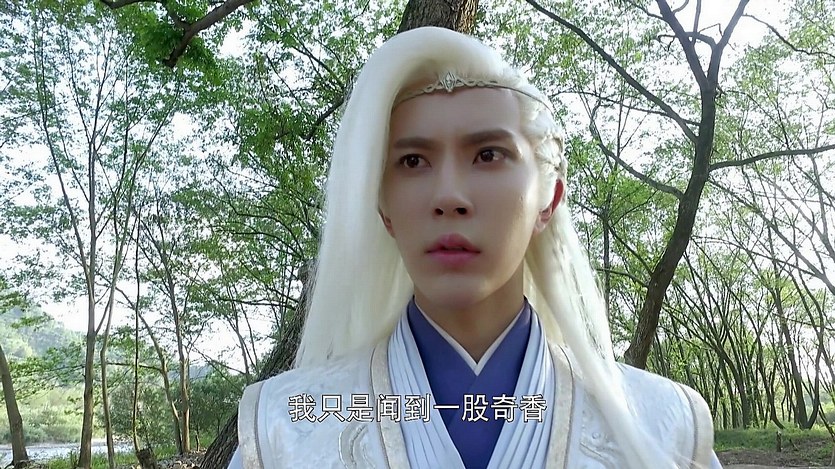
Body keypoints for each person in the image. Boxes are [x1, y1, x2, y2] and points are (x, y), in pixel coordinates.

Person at [228, 26, 722, 469]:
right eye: (413, 161)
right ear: (383, 208)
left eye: (488, 155)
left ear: (549, 198)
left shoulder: (665, 428)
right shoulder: (281, 431)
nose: (448, 196)